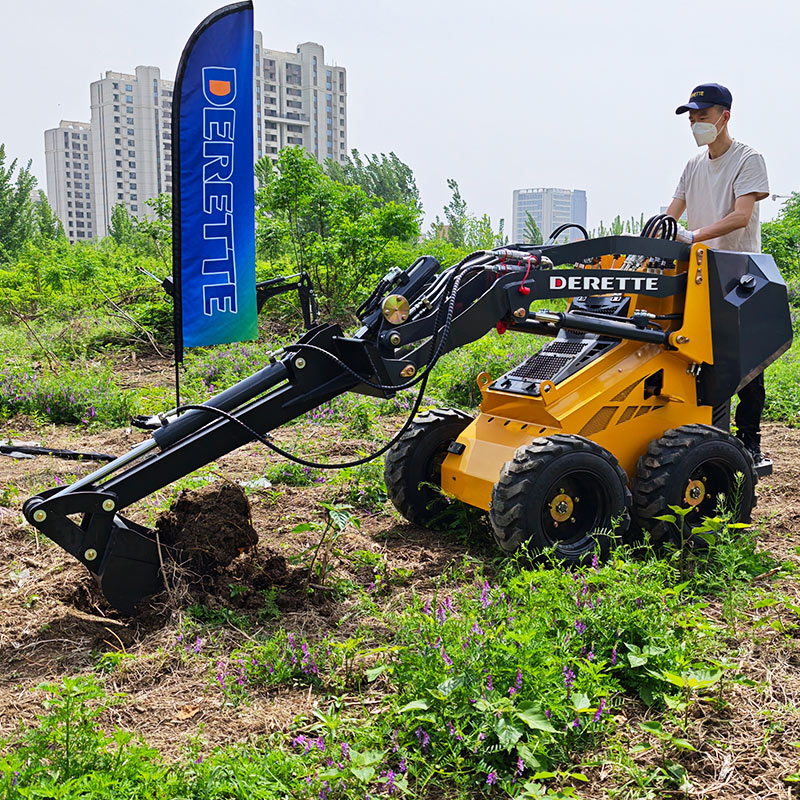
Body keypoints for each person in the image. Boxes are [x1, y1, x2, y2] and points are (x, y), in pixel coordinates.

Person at [664, 83, 770, 467]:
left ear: (724, 116)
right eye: (691, 117)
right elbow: (672, 211)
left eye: (702, 116)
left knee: (744, 364)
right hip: (698, 272)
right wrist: (657, 232)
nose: (695, 123)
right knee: (694, 353)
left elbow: (741, 216)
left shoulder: (747, 159)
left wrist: (693, 236)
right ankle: (705, 434)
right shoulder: (693, 164)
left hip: (737, 272)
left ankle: (750, 440)